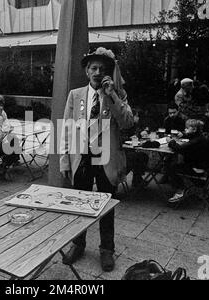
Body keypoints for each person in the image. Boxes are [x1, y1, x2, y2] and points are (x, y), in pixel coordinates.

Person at [60, 47, 134, 272]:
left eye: (102, 69)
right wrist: (64, 160)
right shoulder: (75, 95)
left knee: (106, 206)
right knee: (80, 205)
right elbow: (67, 128)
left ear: (108, 73)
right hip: (81, 157)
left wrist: (111, 95)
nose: (97, 72)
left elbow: (127, 122)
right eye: (93, 68)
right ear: (86, 71)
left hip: (105, 158)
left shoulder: (117, 94)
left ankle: (107, 250)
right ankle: (78, 244)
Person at [166, 119, 209, 204]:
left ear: (194, 129)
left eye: (187, 128)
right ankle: (178, 185)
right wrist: (184, 134)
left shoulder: (196, 140)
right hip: (202, 165)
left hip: (197, 169)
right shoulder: (199, 136)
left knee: (171, 166)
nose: (185, 129)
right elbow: (189, 138)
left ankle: (180, 190)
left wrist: (171, 141)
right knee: (172, 160)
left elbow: (179, 148)